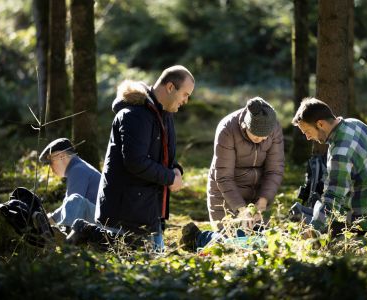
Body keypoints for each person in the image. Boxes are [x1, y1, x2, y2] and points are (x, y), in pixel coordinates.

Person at [89, 65, 194, 251]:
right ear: (170, 87)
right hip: (122, 220)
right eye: (185, 94)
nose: (186, 100)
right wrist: (170, 178)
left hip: (149, 216)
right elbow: (135, 162)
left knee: (155, 275)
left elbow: (162, 156)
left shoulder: (165, 114)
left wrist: (176, 169)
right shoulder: (134, 115)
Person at [290, 98, 367, 232]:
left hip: (364, 224)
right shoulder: (356, 123)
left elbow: (333, 199)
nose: (308, 138)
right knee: (311, 208)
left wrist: (313, 230)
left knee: (299, 217)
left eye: (307, 132)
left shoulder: (340, 153)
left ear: (320, 124)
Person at [205, 97, 284, 228]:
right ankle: (197, 237)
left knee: (259, 242)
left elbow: (275, 170)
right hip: (226, 196)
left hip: (258, 197)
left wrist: (263, 200)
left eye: (265, 136)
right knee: (228, 242)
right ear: (245, 125)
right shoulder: (227, 129)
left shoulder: (274, 128)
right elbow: (224, 177)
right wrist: (241, 210)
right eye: (256, 136)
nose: (261, 139)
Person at [38, 138, 102, 228]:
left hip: (107, 225)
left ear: (60, 156)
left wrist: (51, 219)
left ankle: (64, 237)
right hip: (106, 221)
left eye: (50, 162)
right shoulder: (80, 167)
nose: (50, 168)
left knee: (74, 200)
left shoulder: (78, 169)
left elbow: (74, 204)